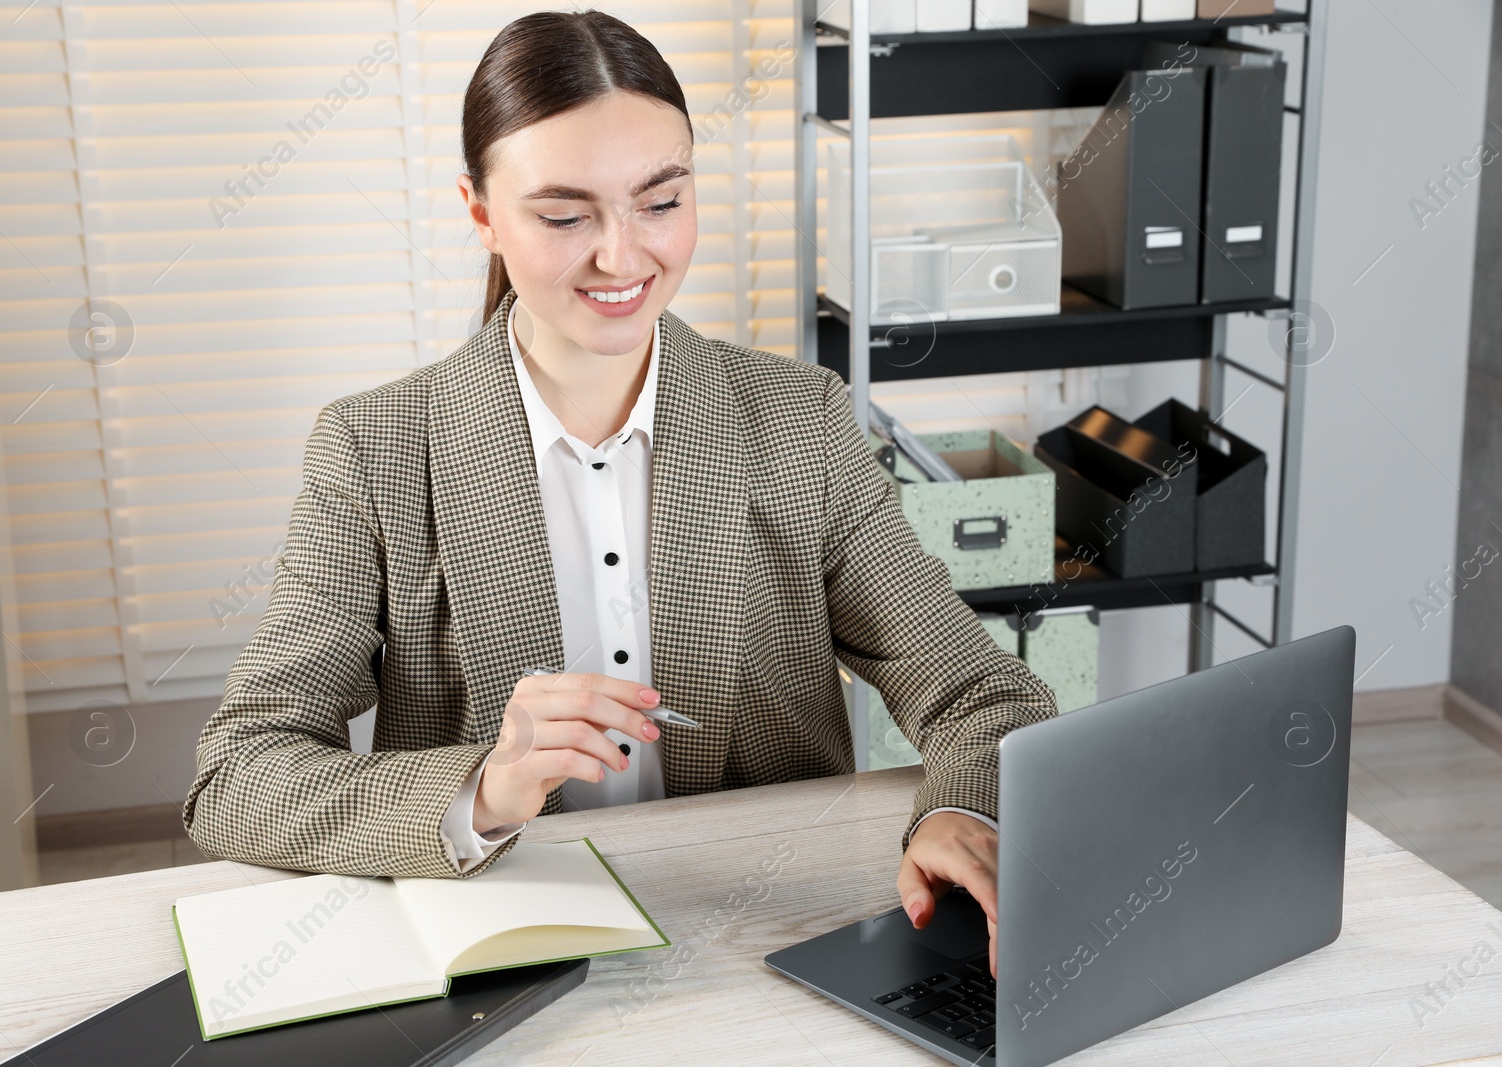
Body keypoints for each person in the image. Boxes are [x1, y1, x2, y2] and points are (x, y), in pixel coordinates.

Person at [183, 9, 1057, 977]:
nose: (621, 256)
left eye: (660, 201)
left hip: (763, 935)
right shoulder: (375, 448)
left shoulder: (797, 419)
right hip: (503, 946)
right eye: (563, 216)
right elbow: (240, 773)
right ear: (480, 212)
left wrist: (957, 811)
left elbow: (982, 690)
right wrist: (484, 785)